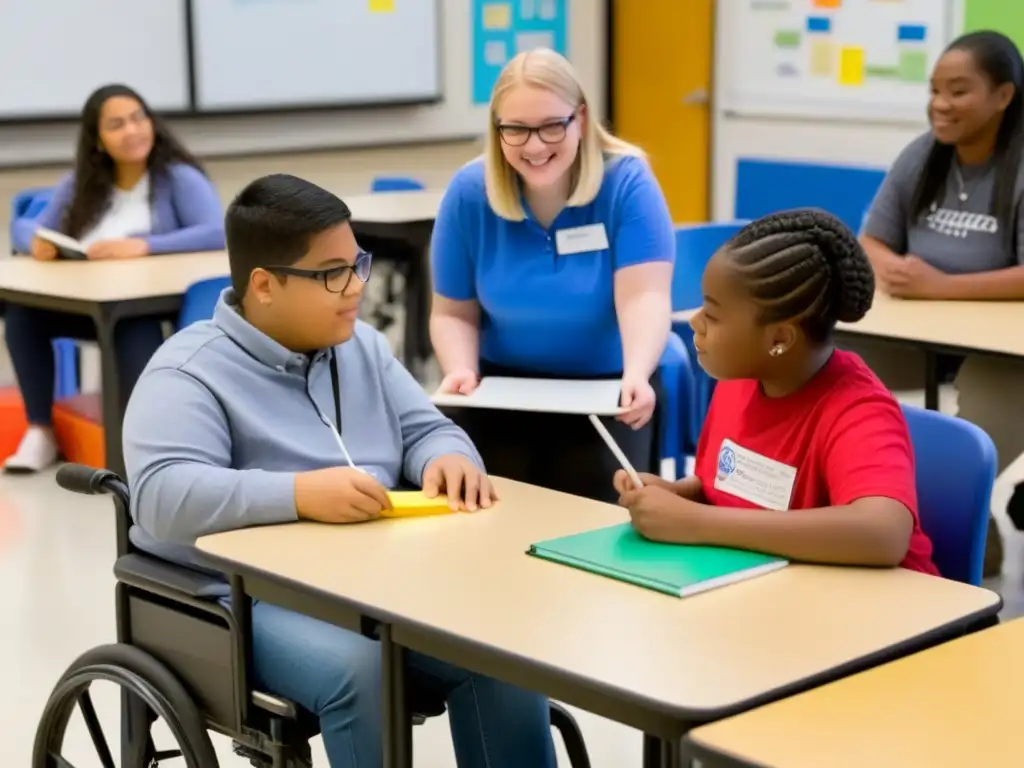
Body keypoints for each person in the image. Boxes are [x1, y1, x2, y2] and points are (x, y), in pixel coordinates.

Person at [121, 174, 556, 768]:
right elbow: (161, 497)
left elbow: (428, 430)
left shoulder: (362, 348)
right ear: (265, 286)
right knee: (358, 670)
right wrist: (299, 494)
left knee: (501, 649)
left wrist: (449, 459)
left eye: (358, 265)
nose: (356, 288)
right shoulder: (187, 373)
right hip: (243, 600)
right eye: (332, 274)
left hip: (372, 579)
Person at [614, 209, 939, 576]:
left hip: (890, 614)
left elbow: (883, 534)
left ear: (780, 338)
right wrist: (679, 496)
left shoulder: (858, 410)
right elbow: (732, 489)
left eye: (714, 315)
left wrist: (696, 520)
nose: (695, 321)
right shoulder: (739, 381)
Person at [429, 48, 675, 504]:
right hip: (501, 393)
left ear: (580, 117)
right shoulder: (469, 191)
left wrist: (638, 371)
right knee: (489, 520)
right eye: (516, 129)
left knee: (598, 522)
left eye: (550, 126)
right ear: (497, 130)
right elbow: (452, 311)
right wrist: (461, 369)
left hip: (609, 393)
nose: (535, 146)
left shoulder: (627, 182)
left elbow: (644, 297)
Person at [858, 30, 1024, 576]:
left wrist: (938, 286)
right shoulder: (924, 152)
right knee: (831, 354)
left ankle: (955, 522)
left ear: (1003, 96)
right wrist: (890, 269)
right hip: (915, 330)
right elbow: (872, 239)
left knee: (973, 431)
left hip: (1004, 349)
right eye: (934, 89)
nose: (940, 104)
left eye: (958, 91)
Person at [4, 83, 224, 473]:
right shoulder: (82, 182)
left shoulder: (178, 177)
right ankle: (41, 431)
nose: (132, 130)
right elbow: (28, 226)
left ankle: (141, 451)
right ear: (98, 140)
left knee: (130, 328)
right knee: (23, 313)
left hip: (144, 308)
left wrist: (146, 245)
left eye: (139, 118)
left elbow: (216, 231)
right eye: (117, 124)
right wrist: (35, 242)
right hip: (90, 304)